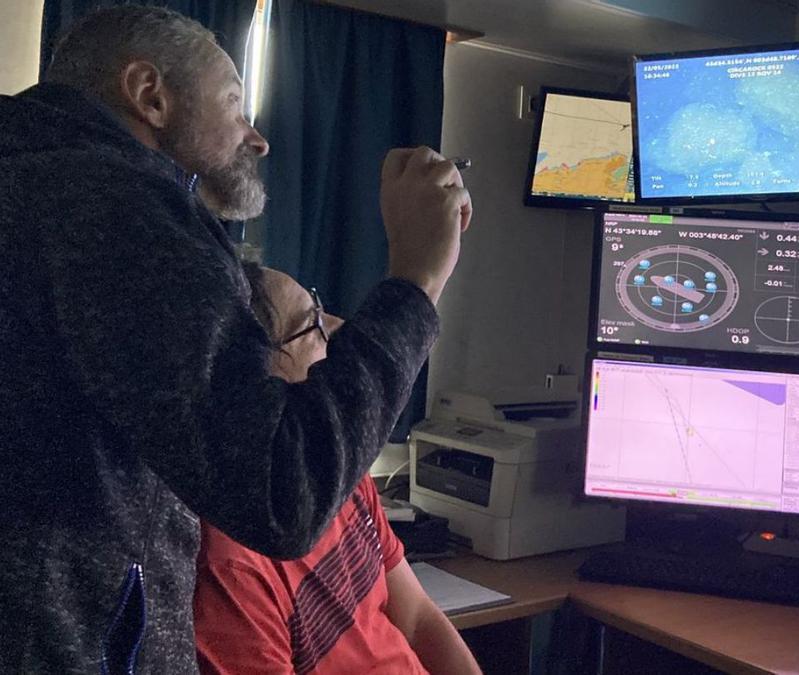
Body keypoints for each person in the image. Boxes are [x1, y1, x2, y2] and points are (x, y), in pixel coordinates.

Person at [0, 6, 471, 673]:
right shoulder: (113, 207)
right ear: (149, 94)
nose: (258, 138)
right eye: (234, 103)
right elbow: (284, 495)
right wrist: (417, 278)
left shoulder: (28, 180)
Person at [193, 265, 481, 675]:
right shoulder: (228, 566)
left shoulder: (333, 468)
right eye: (311, 324)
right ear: (258, 378)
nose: (339, 326)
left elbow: (418, 620)